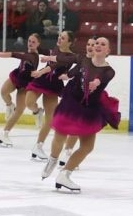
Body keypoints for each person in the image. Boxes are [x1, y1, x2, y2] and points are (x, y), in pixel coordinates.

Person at [40, 37, 119, 193]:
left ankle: (65, 174)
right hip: (72, 101)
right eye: (97, 43)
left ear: (108, 51)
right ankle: (53, 159)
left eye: (103, 44)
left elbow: (100, 77)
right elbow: (64, 58)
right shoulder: (83, 59)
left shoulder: (109, 71)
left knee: (87, 146)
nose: (98, 46)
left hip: (90, 108)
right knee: (60, 134)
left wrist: (96, 83)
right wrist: (49, 58)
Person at [25, 31, 76, 160]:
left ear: (69, 42)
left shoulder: (70, 56)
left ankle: (38, 146)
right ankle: (37, 112)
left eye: (63, 38)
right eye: (59, 36)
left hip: (53, 85)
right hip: (42, 81)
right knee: (29, 103)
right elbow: (46, 51)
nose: (59, 39)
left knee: (50, 119)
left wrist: (40, 71)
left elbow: (55, 65)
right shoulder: (55, 48)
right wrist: (35, 46)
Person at [0, 34, 43, 147]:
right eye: (29, 41)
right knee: (3, 92)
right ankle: (9, 105)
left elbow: (12, 54)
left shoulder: (32, 56)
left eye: (33, 42)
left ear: (38, 44)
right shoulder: (28, 53)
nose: (30, 43)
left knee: (20, 110)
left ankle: (5, 133)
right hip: (17, 76)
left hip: (25, 84)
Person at [57, 36, 97, 167]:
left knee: (77, 124)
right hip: (73, 92)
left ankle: (68, 152)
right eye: (88, 44)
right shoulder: (82, 58)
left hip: (86, 95)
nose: (90, 47)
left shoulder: (98, 64)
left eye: (93, 44)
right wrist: (67, 75)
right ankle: (67, 151)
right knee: (70, 122)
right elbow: (74, 70)